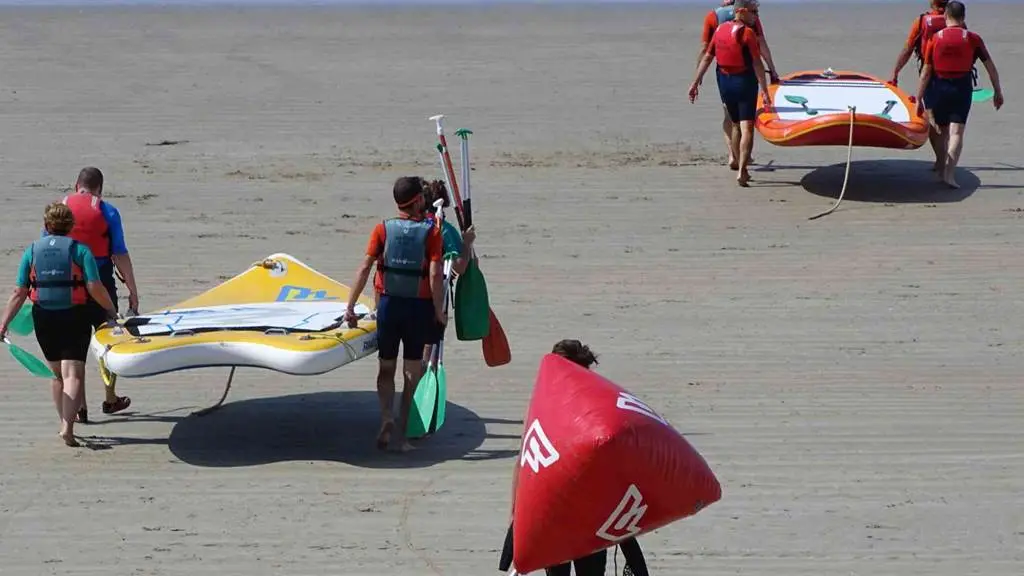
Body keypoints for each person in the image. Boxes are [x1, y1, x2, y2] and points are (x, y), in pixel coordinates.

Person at [501, 340, 649, 576]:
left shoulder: (551, 404)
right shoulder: (588, 401)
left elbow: (525, 459)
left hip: (566, 511)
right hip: (582, 514)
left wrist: (516, 512)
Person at [0, 202, 119, 447]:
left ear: (46, 225)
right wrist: (110, 309)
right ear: (71, 227)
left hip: (44, 317)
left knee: (56, 375)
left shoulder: (32, 250)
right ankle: (68, 426)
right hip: (75, 315)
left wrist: (4, 323)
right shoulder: (80, 250)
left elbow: (19, 292)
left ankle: (64, 421)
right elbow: (94, 287)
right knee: (73, 373)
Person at [343, 176, 445, 452]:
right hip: (418, 308)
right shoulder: (431, 232)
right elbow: (435, 274)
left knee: (386, 367)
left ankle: (386, 417)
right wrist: (439, 309)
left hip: (388, 307)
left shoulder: (382, 229)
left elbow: (364, 268)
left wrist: (350, 306)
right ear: (419, 200)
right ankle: (402, 433)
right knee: (412, 371)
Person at [58, 167, 137, 422]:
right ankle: (110, 397)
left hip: (67, 285)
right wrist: (133, 292)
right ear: (99, 189)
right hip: (101, 282)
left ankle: (79, 406)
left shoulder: (60, 210)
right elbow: (120, 254)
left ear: (75, 185)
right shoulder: (108, 211)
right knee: (108, 340)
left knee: (74, 346)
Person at [915, 0, 1004, 189]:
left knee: (939, 128)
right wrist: (997, 91)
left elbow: (926, 72)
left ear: (946, 16)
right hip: (962, 88)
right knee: (956, 132)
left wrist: (919, 98)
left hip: (938, 86)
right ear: (963, 18)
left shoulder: (935, 39)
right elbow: (991, 68)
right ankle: (949, 173)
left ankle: (940, 162)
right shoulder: (973, 38)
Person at [689, 0, 771, 187]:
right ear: (741, 11)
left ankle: (735, 159)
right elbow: (757, 63)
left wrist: (695, 82)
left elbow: (708, 57)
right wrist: (765, 90)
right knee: (747, 127)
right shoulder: (748, 33)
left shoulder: (720, 30)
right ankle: (743, 171)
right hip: (744, 82)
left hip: (724, 82)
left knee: (734, 125)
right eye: (754, 12)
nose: (756, 16)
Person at [890, 0, 951, 171]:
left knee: (933, 119)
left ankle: (941, 161)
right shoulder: (955, 20)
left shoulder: (922, 21)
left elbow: (908, 49)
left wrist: (895, 72)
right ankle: (946, 159)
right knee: (947, 123)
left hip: (930, 75)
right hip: (957, 77)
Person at [421, 178, 476, 365]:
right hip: (436, 292)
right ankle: (427, 377)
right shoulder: (444, 230)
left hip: (409, 292)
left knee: (414, 346)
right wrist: (467, 244)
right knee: (430, 342)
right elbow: (459, 266)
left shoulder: (412, 224)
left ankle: (412, 387)